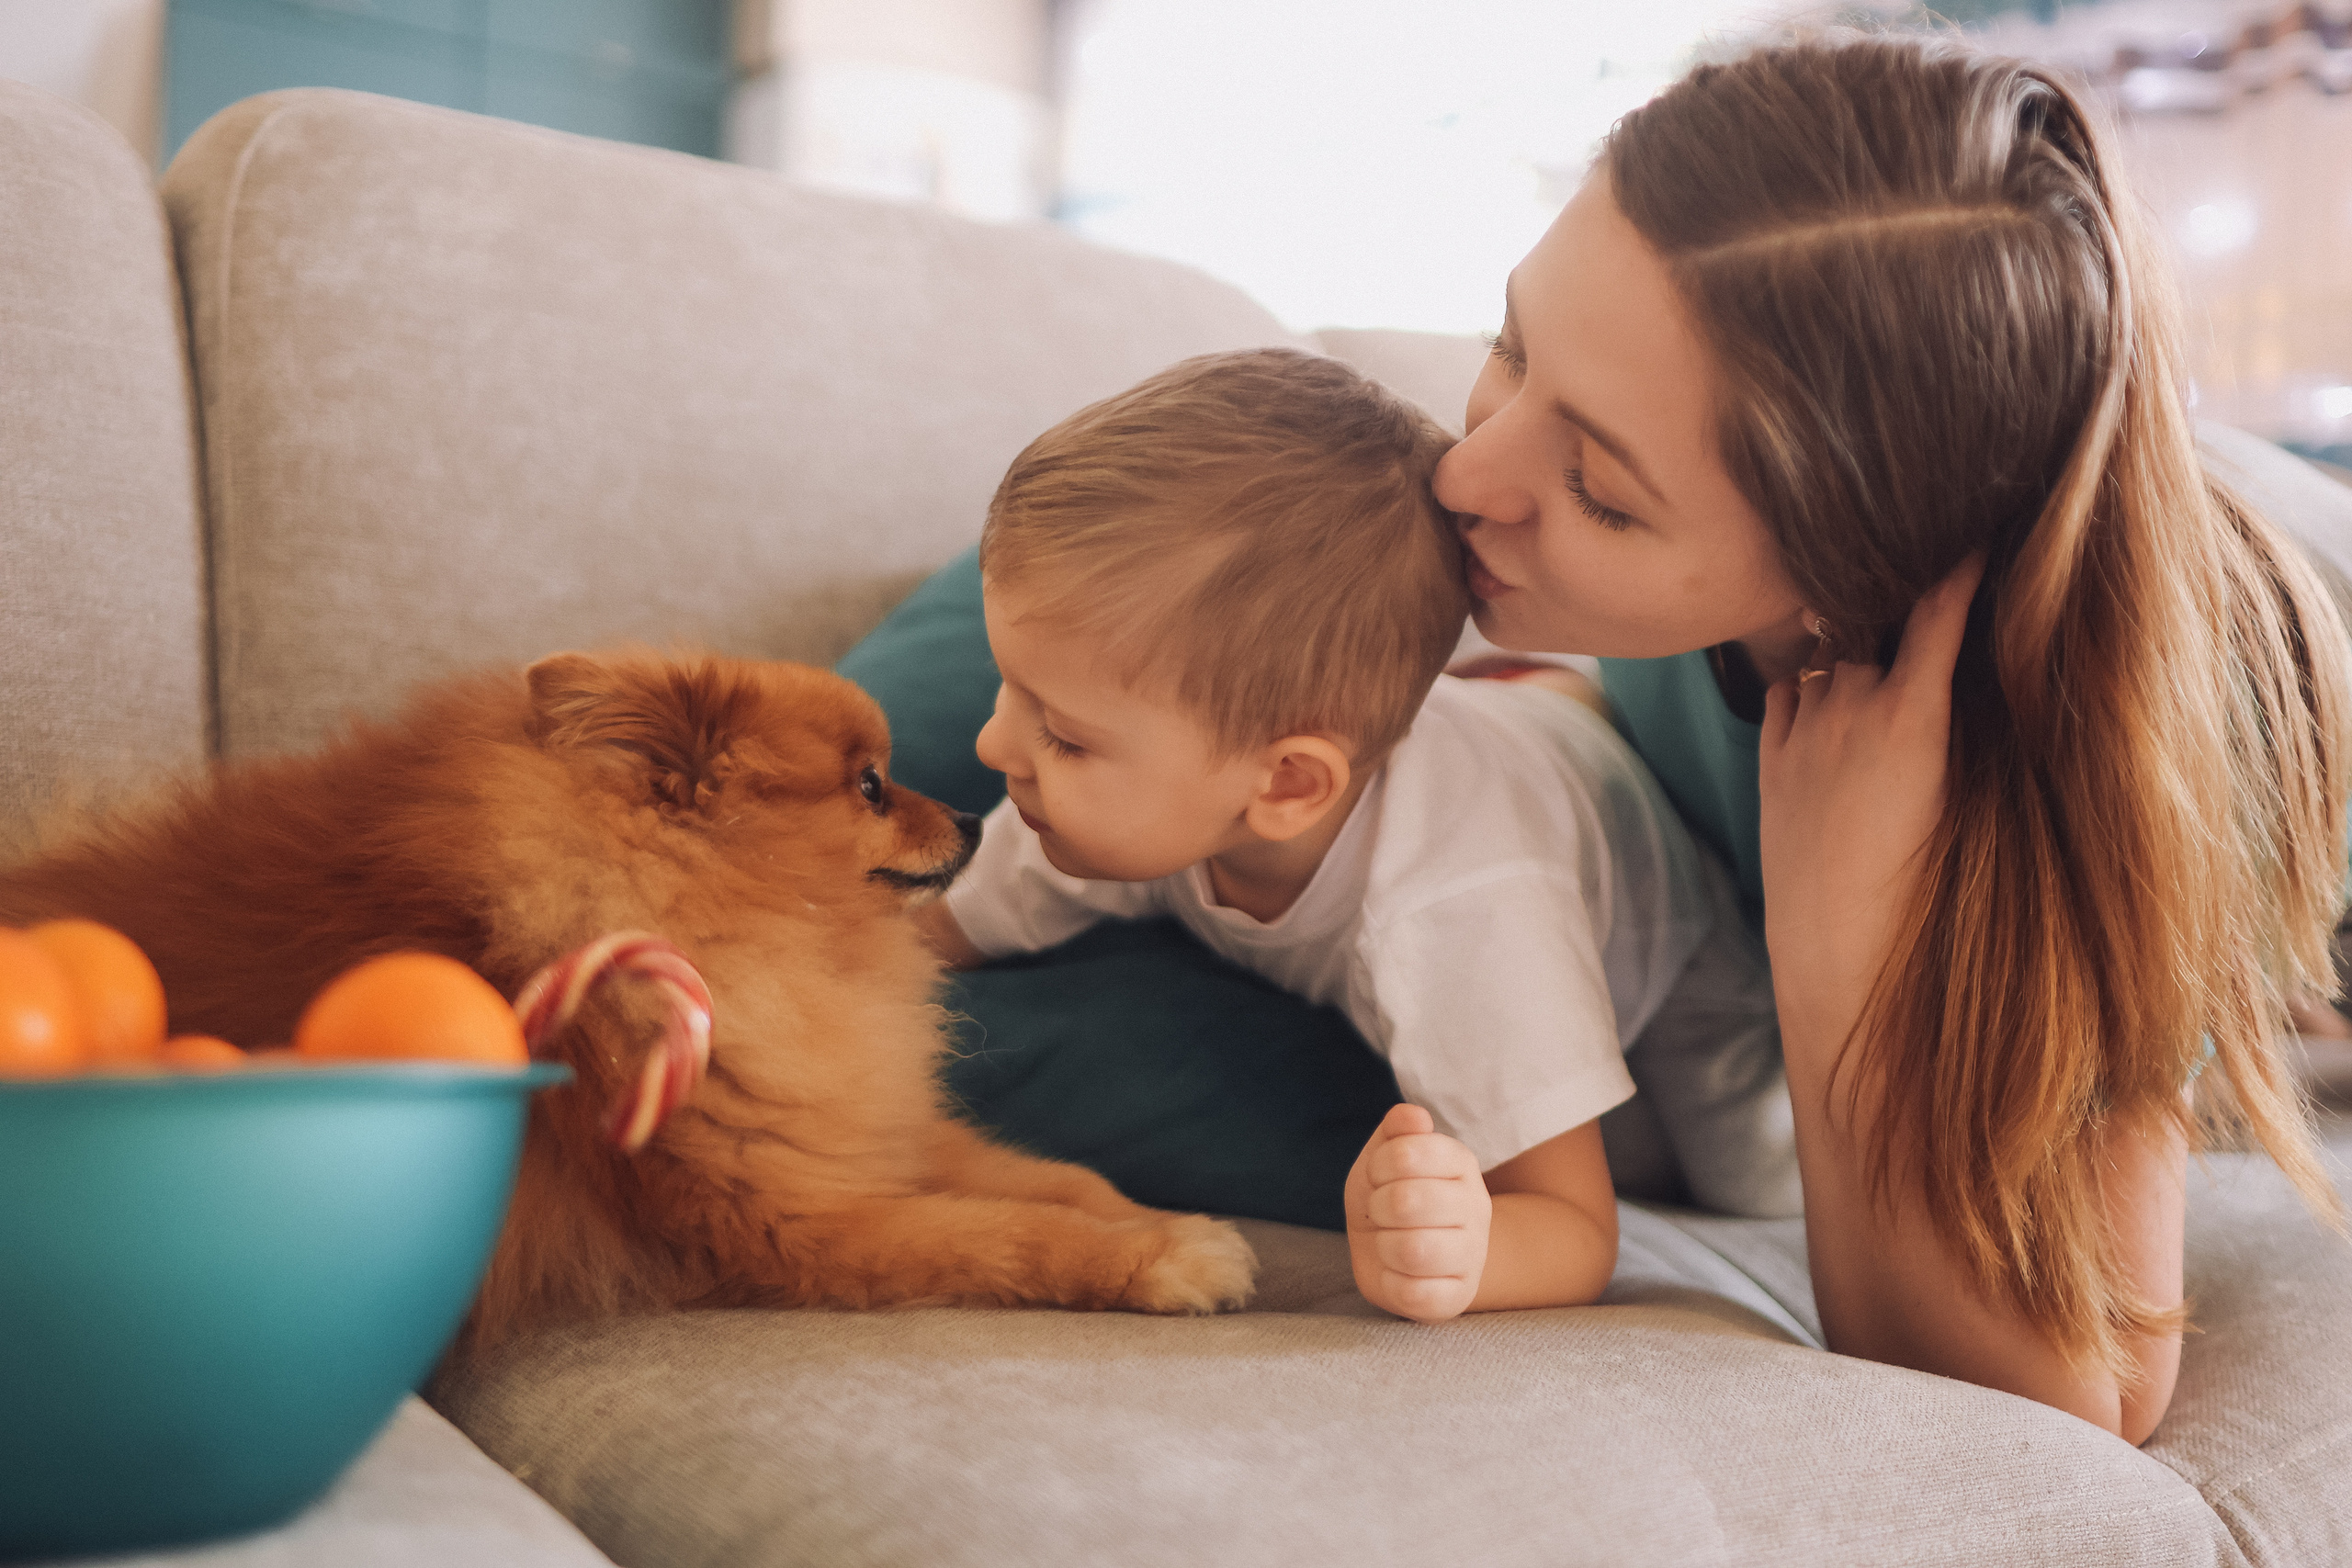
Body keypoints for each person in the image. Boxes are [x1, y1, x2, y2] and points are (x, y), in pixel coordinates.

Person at [1432, 33, 2352, 1442]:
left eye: (1602, 492)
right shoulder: (1663, 606)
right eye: (1511, 344)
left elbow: (2084, 1401)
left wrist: (1833, 957)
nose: (1463, 471)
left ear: (1849, 577)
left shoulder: (2130, 738)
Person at [915, 346, 1800, 1325]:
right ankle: (1554, 698)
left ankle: (1568, 707)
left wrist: (1451, 1254)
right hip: (1511, 741)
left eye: (1062, 734)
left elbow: (1574, 1228)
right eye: (1011, 690)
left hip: (1677, 958)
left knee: (1749, 1176)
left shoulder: (1462, 918)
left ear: (1287, 783)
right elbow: (932, 929)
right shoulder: (1119, 794)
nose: (994, 745)